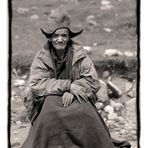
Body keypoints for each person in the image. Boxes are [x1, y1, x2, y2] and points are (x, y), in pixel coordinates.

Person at [21, 6, 131, 148]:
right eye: (55, 36)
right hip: (49, 97)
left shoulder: (79, 54)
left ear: (68, 37)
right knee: (50, 114)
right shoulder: (42, 57)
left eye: (64, 35)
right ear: (50, 37)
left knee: (85, 113)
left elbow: (92, 81)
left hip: (77, 94)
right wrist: (67, 86)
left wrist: (73, 90)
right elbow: (37, 83)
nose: (59, 39)